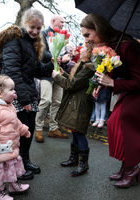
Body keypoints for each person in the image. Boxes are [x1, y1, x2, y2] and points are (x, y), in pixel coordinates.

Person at [80, 14, 140, 188]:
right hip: (132, 88)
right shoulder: (112, 45)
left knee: (122, 123)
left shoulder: (128, 46)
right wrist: (101, 84)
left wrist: (112, 83)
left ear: (99, 29)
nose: (86, 39)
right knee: (116, 121)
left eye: (88, 35)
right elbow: (114, 70)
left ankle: (131, 168)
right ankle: (127, 166)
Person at [0, 8, 53, 180]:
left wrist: (50, 65)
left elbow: (34, 70)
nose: (36, 31)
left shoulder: (34, 42)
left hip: (29, 91)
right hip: (16, 94)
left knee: (28, 130)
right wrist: (23, 99)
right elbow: (13, 71)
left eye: (39, 28)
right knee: (16, 132)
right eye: (32, 27)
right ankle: (15, 167)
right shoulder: (14, 40)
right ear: (25, 24)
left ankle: (25, 160)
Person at [52, 43, 95, 176]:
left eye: (83, 49)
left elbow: (71, 85)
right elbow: (74, 82)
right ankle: (74, 159)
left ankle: (83, 164)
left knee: (78, 132)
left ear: (89, 53)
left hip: (80, 104)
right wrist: (63, 74)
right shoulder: (83, 65)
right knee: (75, 131)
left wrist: (56, 76)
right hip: (77, 102)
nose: (79, 50)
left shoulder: (88, 68)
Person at [34, 15, 69, 143]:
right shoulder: (43, 34)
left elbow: (63, 51)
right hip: (45, 73)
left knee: (57, 101)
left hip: (58, 73)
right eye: (62, 21)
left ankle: (53, 128)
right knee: (46, 100)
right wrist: (55, 57)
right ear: (53, 21)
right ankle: (38, 128)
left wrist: (66, 56)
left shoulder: (63, 36)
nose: (63, 24)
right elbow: (42, 52)